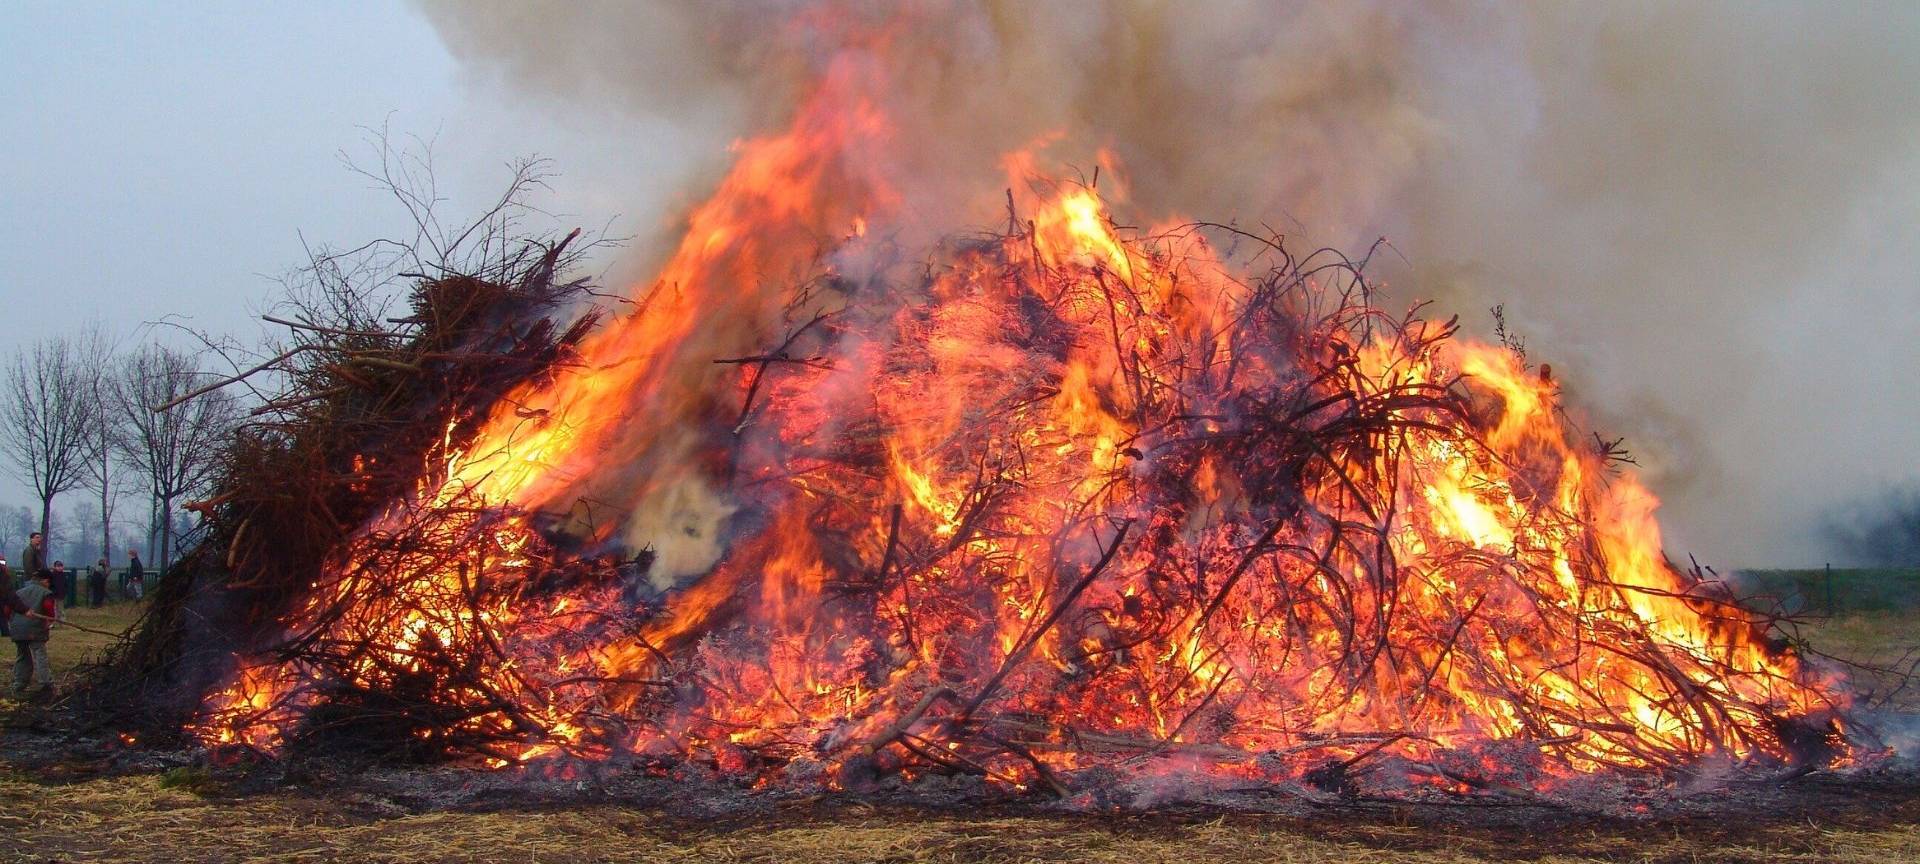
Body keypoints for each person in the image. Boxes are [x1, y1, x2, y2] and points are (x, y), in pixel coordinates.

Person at [9, 568, 56, 697]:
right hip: (35, 628)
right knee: (40, 655)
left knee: (22, 655)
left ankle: (19, 683)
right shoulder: (46, 593)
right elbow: (48, 610)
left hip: (17, 628)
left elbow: (8, 609)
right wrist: (49, 621)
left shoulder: (19, 592)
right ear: (46, 580)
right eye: (49, 582)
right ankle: (46, 683)